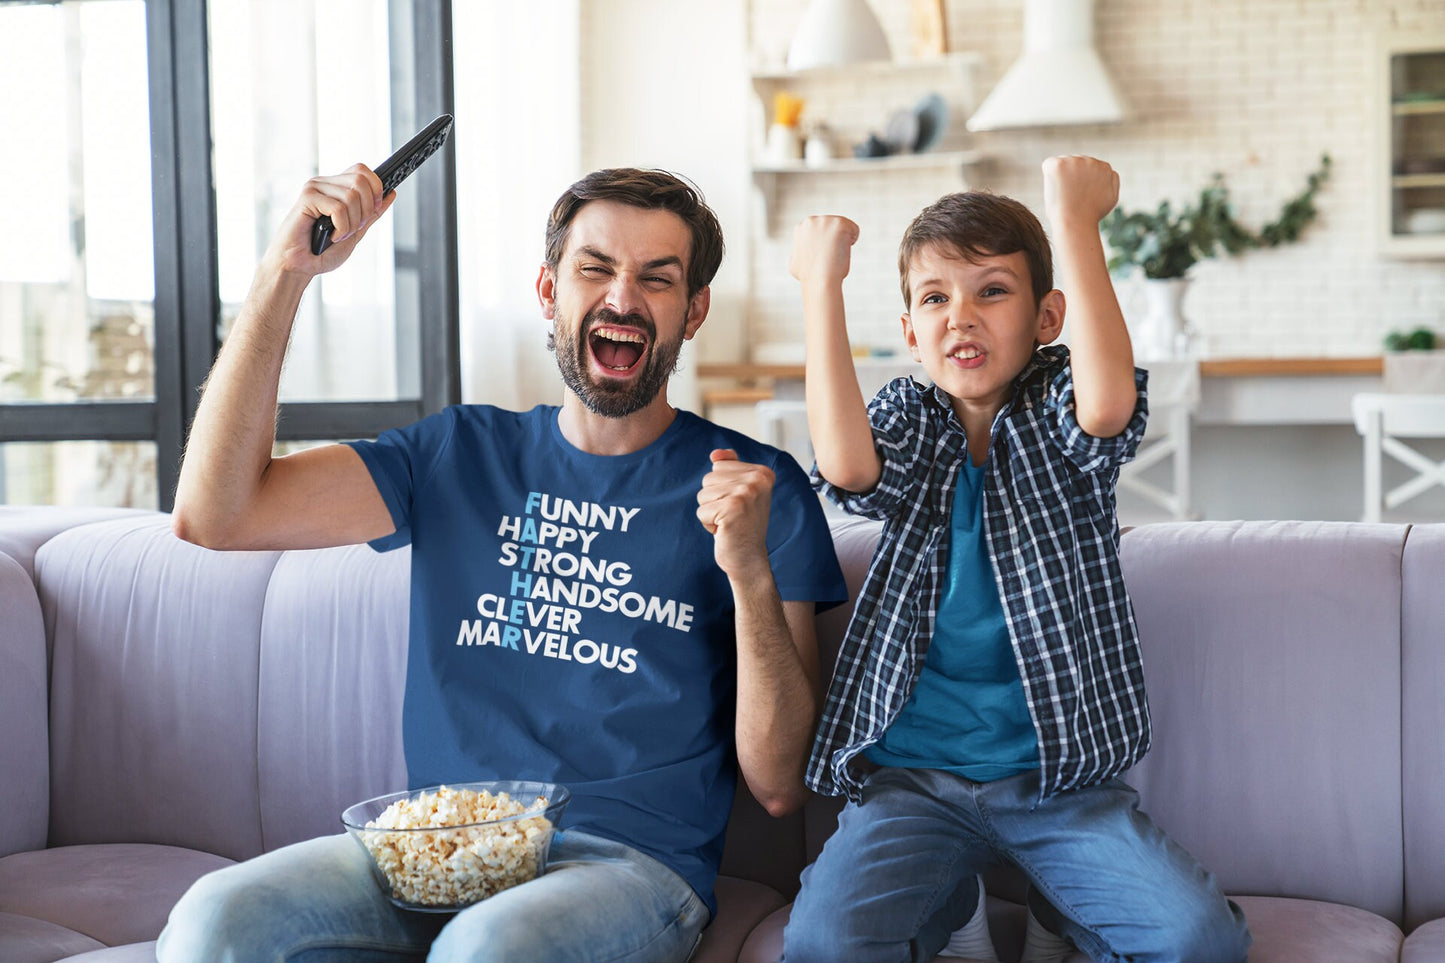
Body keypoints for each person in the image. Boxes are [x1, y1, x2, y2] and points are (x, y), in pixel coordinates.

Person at [158, 162, 846, 961]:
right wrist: (286, 275)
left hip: (624, 866)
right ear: (549, 292)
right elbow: (215, 514)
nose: (623, 298)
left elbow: (779, 781)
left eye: (656, 280)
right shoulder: (458, 453)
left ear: (691, 313)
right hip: (429, 849)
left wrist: (749, 571)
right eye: (595, 268)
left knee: (490, 946)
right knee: (216, 916)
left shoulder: (755, 487)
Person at [780, 156, 1251, 963]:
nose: (960, 315)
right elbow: (849, 471)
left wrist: (1075, 222)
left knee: (1200, 943)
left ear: (1044, 315)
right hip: (913, 781)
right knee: (824, 944)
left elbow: (1107, 408)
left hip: (1058, 779)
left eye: (991, 291)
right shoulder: (907, 413)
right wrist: (820, 286)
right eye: (935, 299)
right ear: (909, 332)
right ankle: (952, 898)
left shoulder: (1059, 405)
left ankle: (1056, 906)